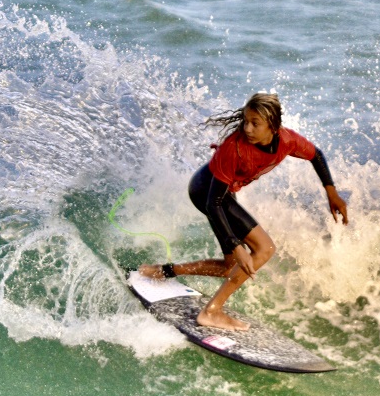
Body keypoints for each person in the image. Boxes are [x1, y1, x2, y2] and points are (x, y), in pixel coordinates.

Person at [140, 92, 349, 331]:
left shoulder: (287, 141)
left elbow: (316, 155)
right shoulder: (234, 148)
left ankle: (163, 271)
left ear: (273, 126)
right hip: (206, 191)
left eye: (254, 123)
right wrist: (236, 244)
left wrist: (331, 192)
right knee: (264, 248)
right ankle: (212, 311)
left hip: (221, 195)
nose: (247, 128)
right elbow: (213, 204)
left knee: (230, 266)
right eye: (245, 121)